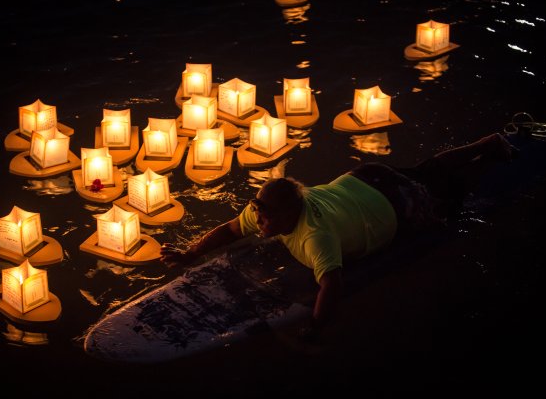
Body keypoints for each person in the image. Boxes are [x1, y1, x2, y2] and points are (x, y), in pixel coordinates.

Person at [161, 132, 516, 341]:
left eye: (268, 217)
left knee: (448, 197)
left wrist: (315, 328)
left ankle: (489, 156)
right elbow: (229, 230)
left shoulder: (316, 237)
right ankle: (488, 142)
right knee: (427, 169)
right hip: (366, 177)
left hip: (395, 203)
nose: (261, 222)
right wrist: (189, 255)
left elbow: (332, 284)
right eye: (259, 211)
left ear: (291, 213)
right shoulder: (263, 210)